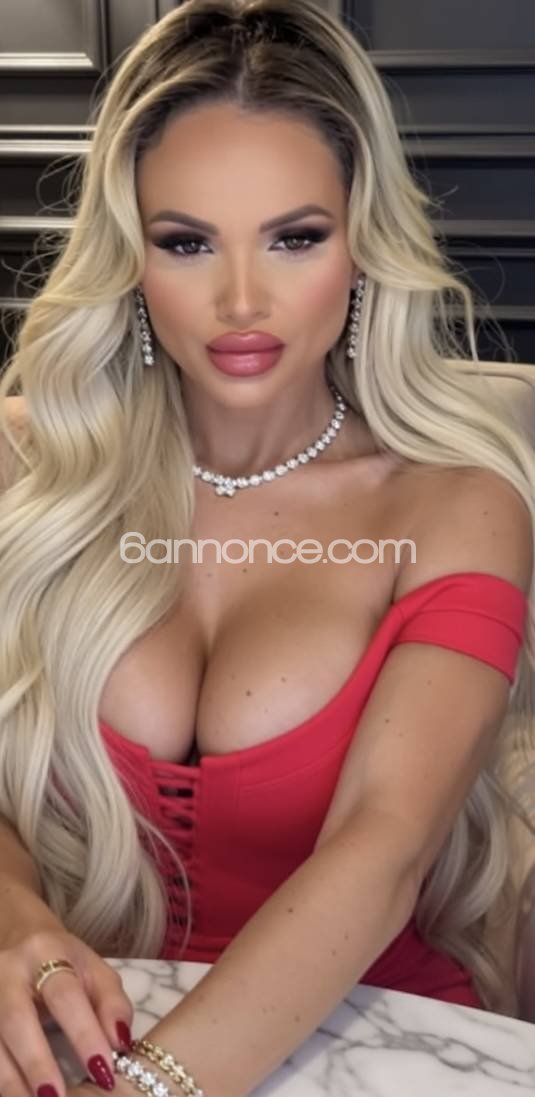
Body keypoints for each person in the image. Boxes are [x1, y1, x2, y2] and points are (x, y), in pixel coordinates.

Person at [0, 2, 534, 1096]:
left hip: (369, 1048)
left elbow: (383, 846)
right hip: (70, 1028)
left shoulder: (457, 504)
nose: (241, 299)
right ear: (131, 259)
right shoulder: (29, 472)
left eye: (295, 236)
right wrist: (16, 920)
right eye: (186, 241)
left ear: (362, 245)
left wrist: (152, 1089)